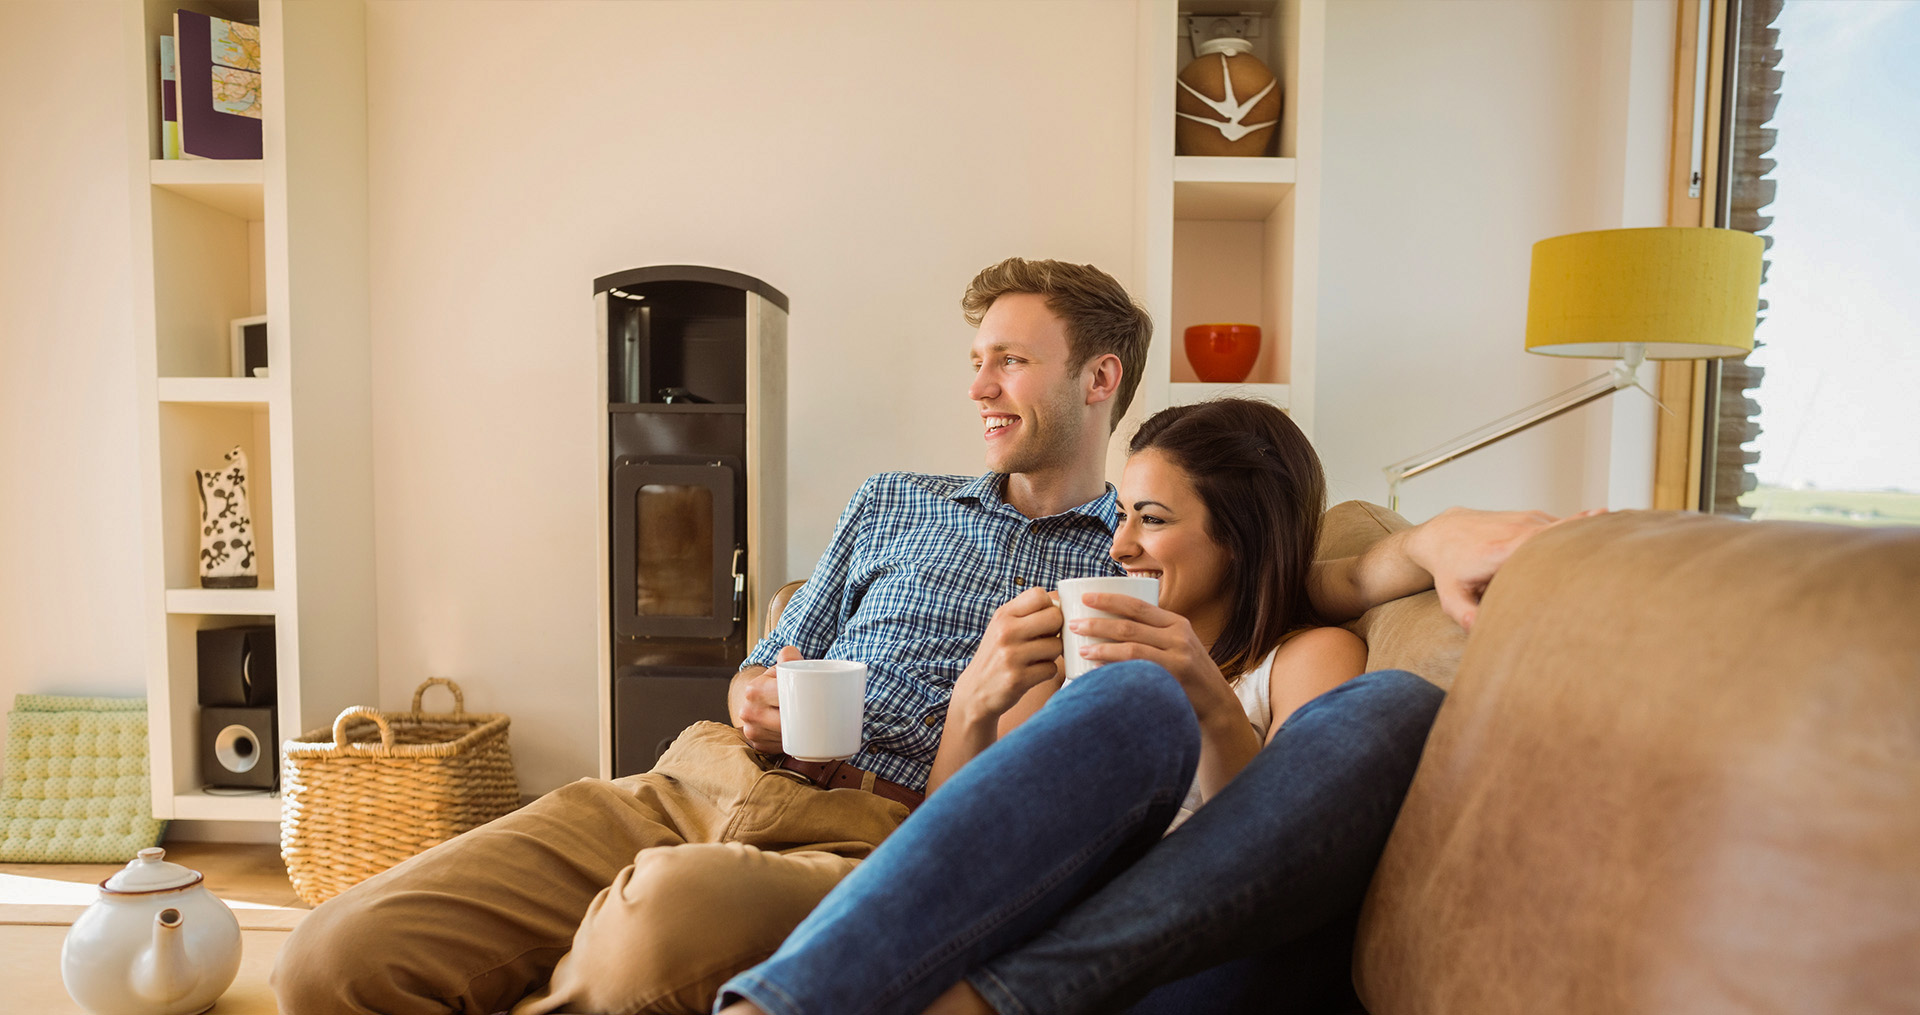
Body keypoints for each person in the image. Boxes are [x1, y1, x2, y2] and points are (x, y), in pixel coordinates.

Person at [272, 258, 1558, 1015]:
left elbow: (1298, 579)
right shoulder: (893, 501)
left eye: (1008, 359)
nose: (979, 385)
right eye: (976, 359)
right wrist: (760, 688)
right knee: (331, 958)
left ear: (1099, 379)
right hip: (696, 778)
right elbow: (769, 650)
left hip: (884, 831)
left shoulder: (1146, 549)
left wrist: (1420, 545)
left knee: (647, 934)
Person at [710, 398, 1445, 1015]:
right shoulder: (1077, 660)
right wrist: (975, 698)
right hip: (1050, 921)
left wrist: (1208, 699)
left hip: (1185, 959)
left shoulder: (1307, 658)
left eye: (1151, 518)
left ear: (1240, 539)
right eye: (1121, 515)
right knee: (1131, 697)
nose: (1120, 545)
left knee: (1154, 695)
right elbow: (959, 843)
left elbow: (1284, 848)